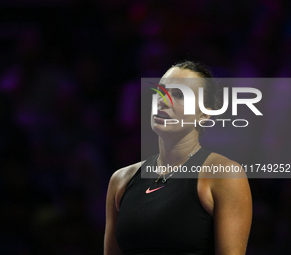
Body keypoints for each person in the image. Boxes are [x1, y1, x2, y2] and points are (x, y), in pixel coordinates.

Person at [104, 61, 252, 255]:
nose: (164, 101)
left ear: (205, 113)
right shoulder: (120, 179)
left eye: (180, 95)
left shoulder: (224, 175)